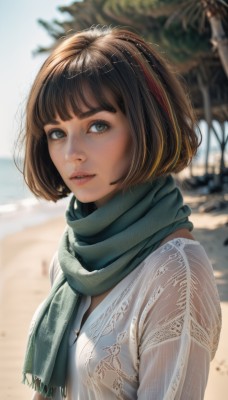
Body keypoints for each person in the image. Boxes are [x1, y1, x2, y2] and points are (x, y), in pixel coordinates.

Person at [20, 26, 221, 399]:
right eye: (56, 132)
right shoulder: (69, 259)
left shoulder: (177, 274)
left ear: (144, 126)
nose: (71, 154)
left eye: (97, 125)